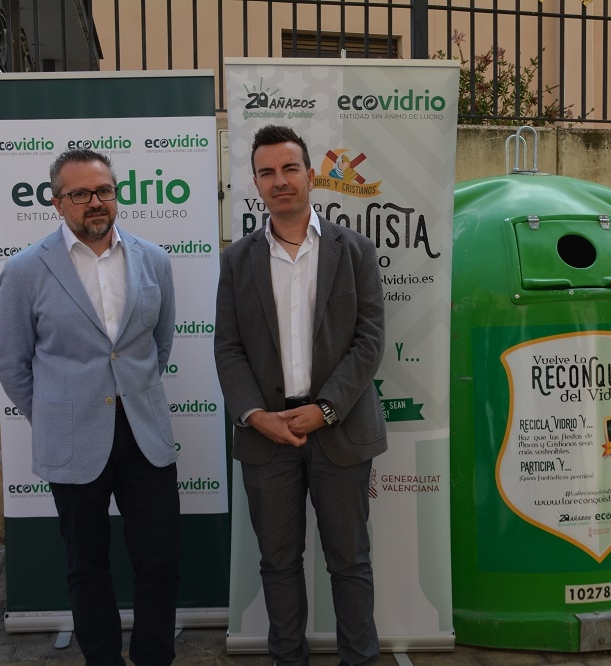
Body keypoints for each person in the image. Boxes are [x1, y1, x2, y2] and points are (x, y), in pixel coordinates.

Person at [0, 148, 180, 666]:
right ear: (57, 203)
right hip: (72, 439)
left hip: (144, 435)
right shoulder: (26, 270)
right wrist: (56, 415)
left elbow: (159, 347)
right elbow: (12, 363)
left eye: (104, 191)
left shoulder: (153, 260)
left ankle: (153, 657)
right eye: (80, 194)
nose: (95, 202)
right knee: (87, 565)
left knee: (161, 560)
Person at [214, 125, 387, 666]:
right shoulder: (237, 260)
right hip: (268, 437)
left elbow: (370, 340)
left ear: (310, 175)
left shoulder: (354, 250)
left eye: (290, 168)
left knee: (350, 562)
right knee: (278, 563)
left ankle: (360, 659)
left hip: (339, 428)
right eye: (267, 172)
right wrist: (254, 414)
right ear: (256, 184)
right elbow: (228, 347)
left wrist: (326, 409)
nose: (280, 181)